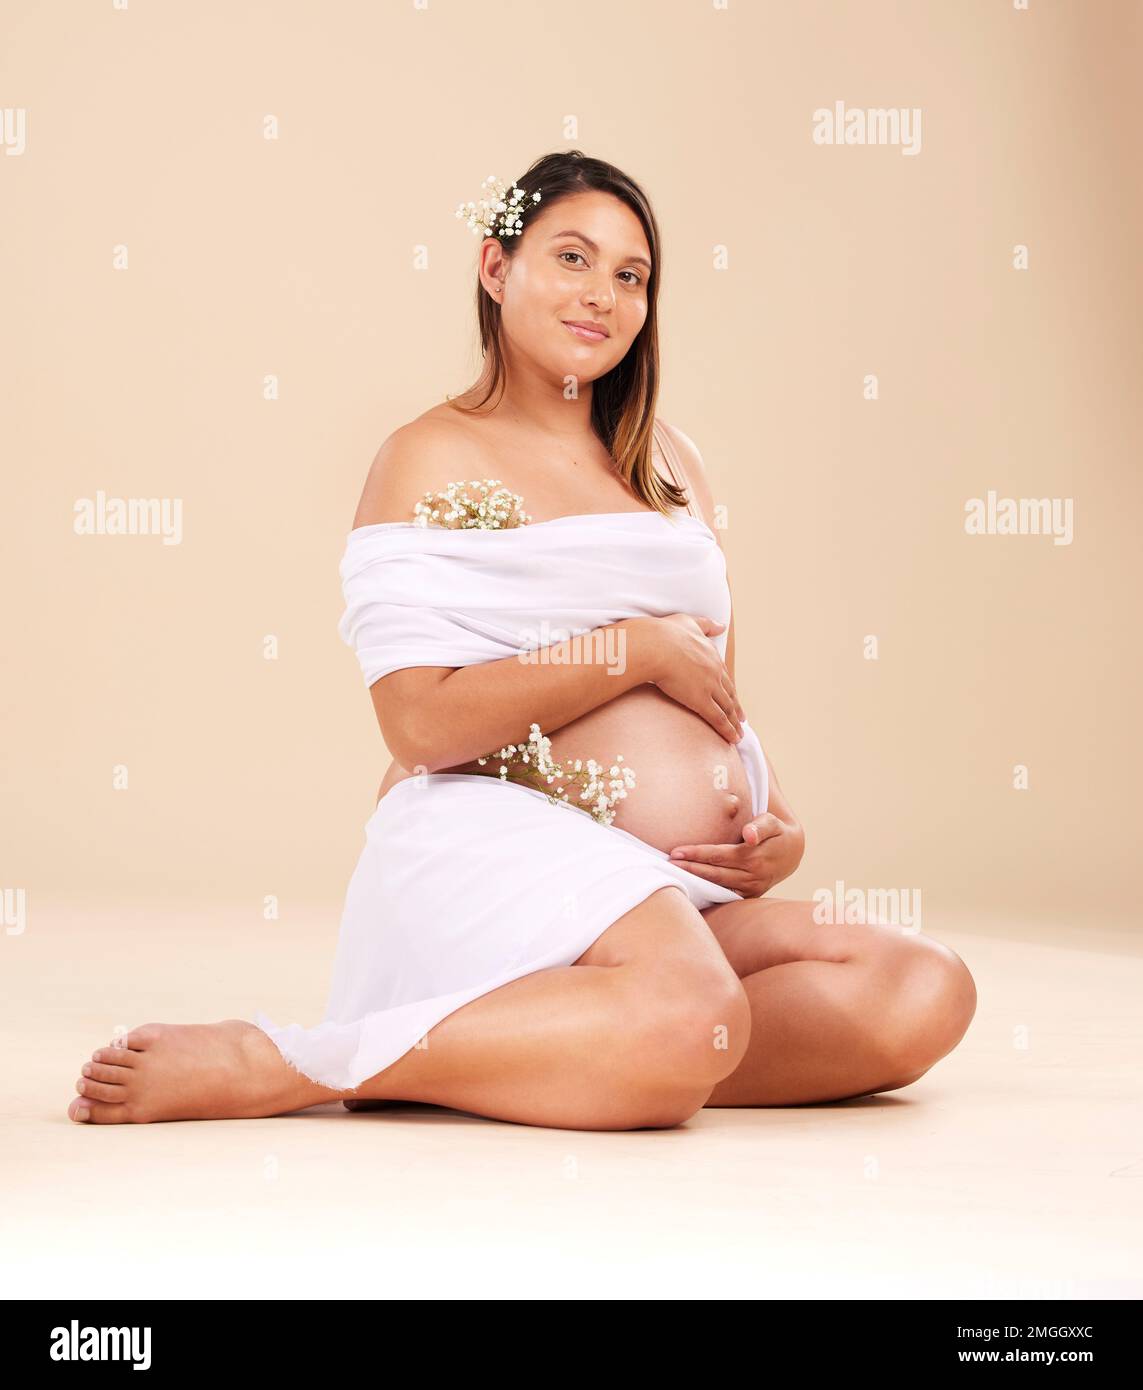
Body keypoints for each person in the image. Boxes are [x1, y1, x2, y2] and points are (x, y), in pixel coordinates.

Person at [66, 150, 976, 1132]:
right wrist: (625, 649)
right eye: (573, 259)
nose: (604, 296)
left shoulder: (674, 463)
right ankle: (299, 1061)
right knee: (692, 1015)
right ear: (497, 270)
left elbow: (717, 692)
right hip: (498, 843)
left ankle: (558, 1047)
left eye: (631, 275)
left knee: (924, 986)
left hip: (669, 885)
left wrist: (774, 817)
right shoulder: (431, 456)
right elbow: (417, 726)